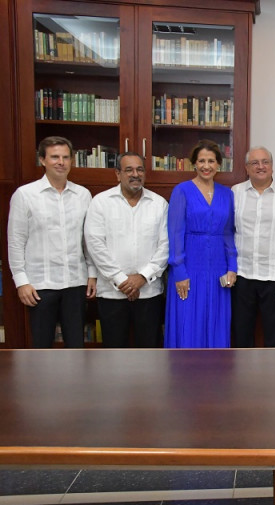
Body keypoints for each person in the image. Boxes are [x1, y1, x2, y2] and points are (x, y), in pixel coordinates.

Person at [7, 136, 96, 348]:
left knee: (76, 346)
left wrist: (92, 274)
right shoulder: (25, 195)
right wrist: (21, 282)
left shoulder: (83, 195)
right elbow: (16, 241)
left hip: (76, 282)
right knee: (42, 347)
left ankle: (75, 382)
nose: (61, 162)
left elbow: (88, 240)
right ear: (42, 160)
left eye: (65, 157)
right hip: (40, 284)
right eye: (54, 157)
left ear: (72, 160)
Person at [84, 152, 169, 348]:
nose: (135, 174)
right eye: (128, 169)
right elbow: (95, 244)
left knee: (150, 354)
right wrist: (122, 280)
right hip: (112, 293)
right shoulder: (101, 202)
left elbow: (166, 246)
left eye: (139, 169)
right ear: (117, 174)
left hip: (149, 292)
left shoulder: (159, 204)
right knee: (114, 354)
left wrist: (142, 277)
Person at [164, 139, 237, 348]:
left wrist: (232, 267)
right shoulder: (182, 190)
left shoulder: (227, 194)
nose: (207, 166)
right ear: (194, 164)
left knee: (215, 321)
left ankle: (215, 375)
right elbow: (175, 233)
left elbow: (228, 233)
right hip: (189, 268)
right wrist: (179, 272)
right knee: (188, 321)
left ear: (219, 164)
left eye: (211, 161)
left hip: (218, 270)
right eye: (202, 161)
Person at [232, 147, 275, 347]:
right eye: (255, 163)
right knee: (241, 334)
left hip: (274, 277)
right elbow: (227, 233)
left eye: (265, 162)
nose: (260, 166)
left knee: (274, 337)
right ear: (246, 168)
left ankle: (274, 378)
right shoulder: (235, 192)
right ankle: (242, 378)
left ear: (272, 166)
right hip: (241, 275)